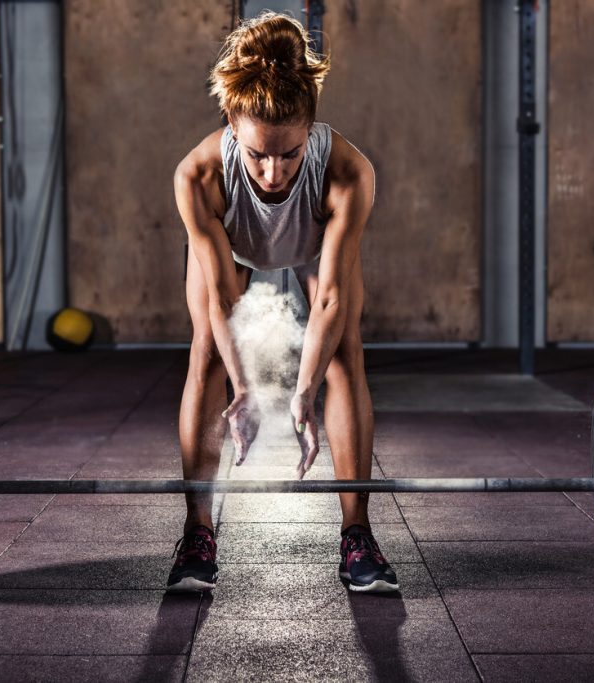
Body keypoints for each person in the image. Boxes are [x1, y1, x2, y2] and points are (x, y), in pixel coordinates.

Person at [169, 12, 398, 594]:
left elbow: (331, 302)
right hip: (234, 249)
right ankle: (198, 534)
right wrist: (246, 391)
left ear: (311, 129)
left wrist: (302, 396)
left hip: (314, 240)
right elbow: (224, 299)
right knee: (209, 355)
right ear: (231, 124)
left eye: (290, 154)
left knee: (344, 353)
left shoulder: (347, 172)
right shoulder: (199, 177)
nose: (273, 173)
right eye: (257, 156)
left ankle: (357, 537)